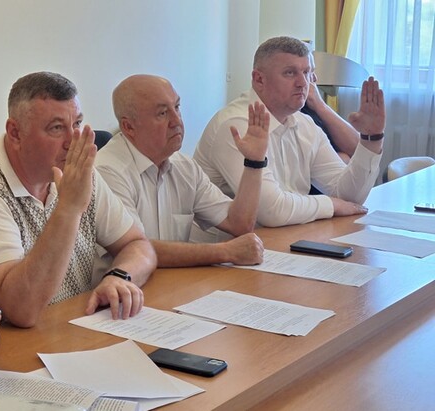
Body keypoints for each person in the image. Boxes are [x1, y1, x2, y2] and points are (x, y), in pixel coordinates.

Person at [0, 71, 156, 343]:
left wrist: (120, 277)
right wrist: (69, 208)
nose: (73, 141)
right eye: (57, 128)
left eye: (78, 123)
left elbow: (138, 245)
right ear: (15, 133)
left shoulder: (77, 172)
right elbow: (21, 310)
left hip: (66, 334)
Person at [195, 36, 386, 227]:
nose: (303, 83)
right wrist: (331, 205)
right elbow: (270, 211)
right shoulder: (236, 124)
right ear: (259, 79)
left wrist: (371, 139)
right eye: (290, 73)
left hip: (284, 240)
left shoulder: (305, 123)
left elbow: (347, 196)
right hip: (224, 250)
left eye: (307, 72)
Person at [95, 74, 269, 267]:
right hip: (120, 291)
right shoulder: (107, 171)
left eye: (177, 107)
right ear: (129, 127)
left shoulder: (185, 166)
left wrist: (254, 162)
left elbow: (239, 223)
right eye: (162, 113)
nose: (176, 121)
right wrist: (225, 251)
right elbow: (135, 250)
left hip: (171, 284)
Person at [301, 52, 360, 164]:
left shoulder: (312, 106)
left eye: (311, 71)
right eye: (307, 72)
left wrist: (320, 105)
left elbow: (357, 148)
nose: (314, 78)